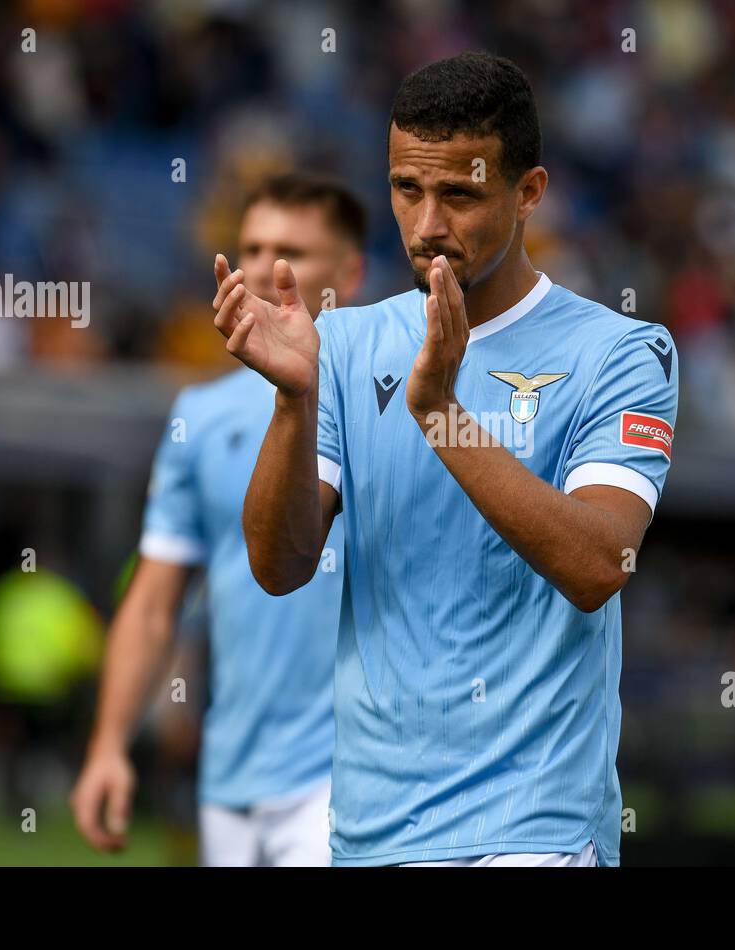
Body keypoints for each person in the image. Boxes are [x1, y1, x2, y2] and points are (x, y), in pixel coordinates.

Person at [211, 52, 678, 866]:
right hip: (370, 832)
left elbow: (603, 561)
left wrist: (440, 414)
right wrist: (293, 401)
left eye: (459, 194)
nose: (427, 224)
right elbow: (281, 565)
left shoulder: (621, 353)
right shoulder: (346, 346)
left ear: (529, 191)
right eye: (405, 189)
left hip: (533, 830)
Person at [71, 173, 366, 866]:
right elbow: (153, 600)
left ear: (349, 273)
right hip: (229, 780)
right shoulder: (197, 418)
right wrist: (109, 744)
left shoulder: (389, 399)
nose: (264, 266)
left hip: (351, 775)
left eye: (291, 249)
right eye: (252, 246)